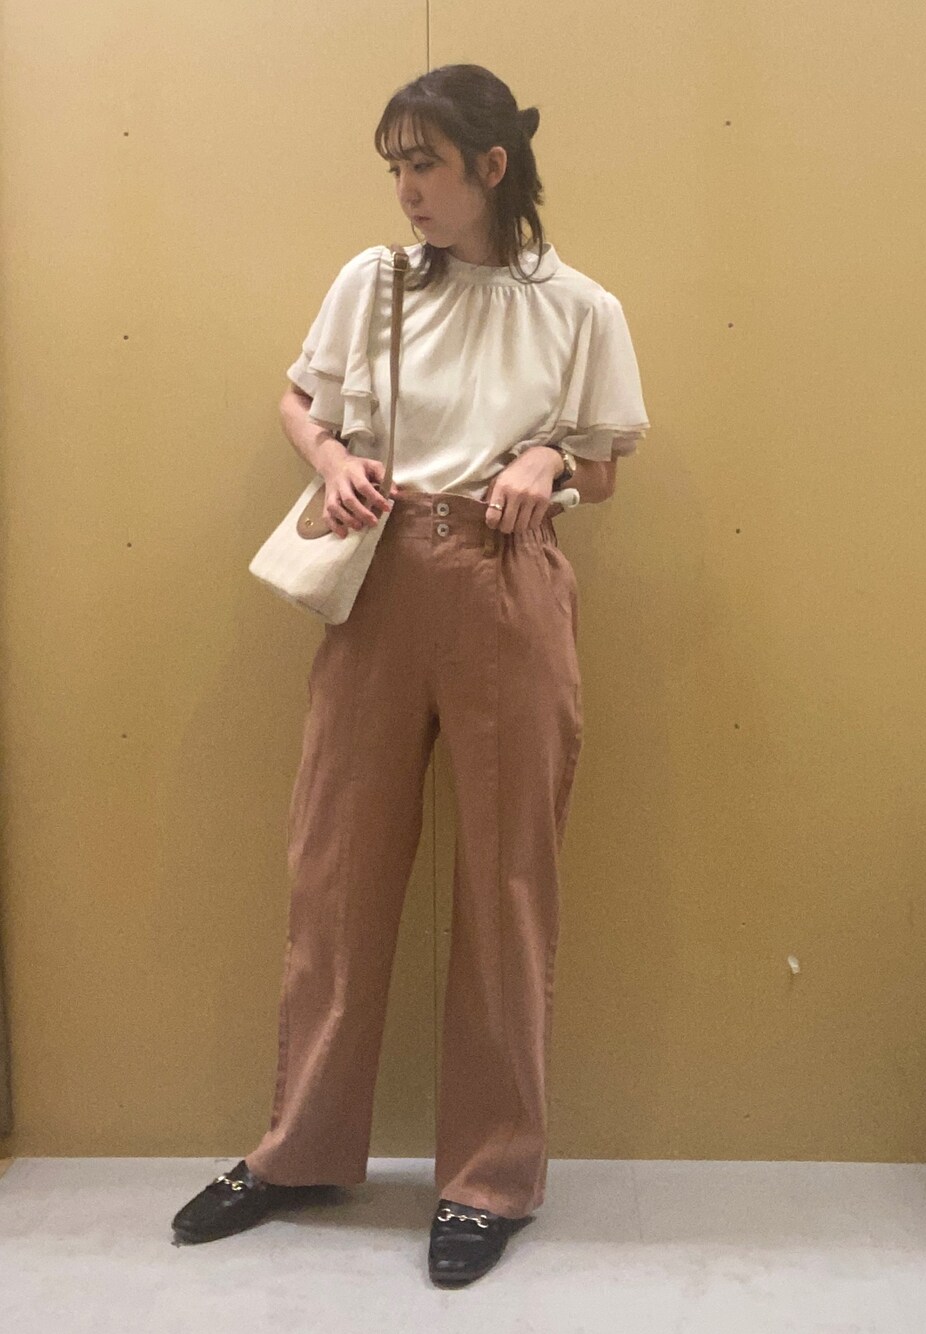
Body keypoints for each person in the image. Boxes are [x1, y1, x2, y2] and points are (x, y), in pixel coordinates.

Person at [171, 63, 649, 1286]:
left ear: (492, 166)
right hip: (379, 576)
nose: (405, 190)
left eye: (423, 164)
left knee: (505, 883)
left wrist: (548, 459)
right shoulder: (372, 280)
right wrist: (331, 460)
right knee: (335, 869)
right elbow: (299, 397)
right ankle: (300, 1149)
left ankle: (490, 1176)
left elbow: (603, 466)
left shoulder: (580, 307)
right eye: (394, 166)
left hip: (507, 583)